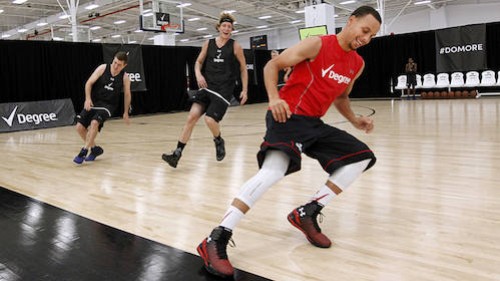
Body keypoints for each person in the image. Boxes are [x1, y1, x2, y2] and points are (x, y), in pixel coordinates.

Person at [196, 6, 381, 278]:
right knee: (273, 171)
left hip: (313, 124)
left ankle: (308, 211)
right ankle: (216, 237)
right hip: (287, 116)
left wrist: (354, 120)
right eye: (365, 30)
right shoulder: (317, 44)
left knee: (361, 156)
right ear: (351, 21)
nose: (366, 38)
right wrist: (274, 98)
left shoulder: (357, 63)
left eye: (372, 36)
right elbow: (273, 65)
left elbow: (341, 97)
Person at [162, 12, 248, 168]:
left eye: (229, 26)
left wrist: (245, 90)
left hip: (223, 90)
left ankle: (218, 140)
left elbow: (243, 69)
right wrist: (198, 74)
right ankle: (176, 154)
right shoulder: (209, 43)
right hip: (207, 87)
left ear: (232, 29)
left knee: (209, 119)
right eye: (224, 26)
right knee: (191, 118)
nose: (227, 28)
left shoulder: (235, 46)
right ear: (219, 27)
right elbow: (198, 62)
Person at [73, 51, 131, 164]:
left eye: (119, 65)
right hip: (94, 102)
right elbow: (88, 83)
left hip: (108, 106)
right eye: (115, 62)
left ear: (124, 66)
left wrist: (125, 112)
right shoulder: (103, 68)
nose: (115, 66)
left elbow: (127, 95)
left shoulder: (125, 77)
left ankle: (84, 150)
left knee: (95, 123)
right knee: (79, 127)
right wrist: (88, 99)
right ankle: (95, 149)